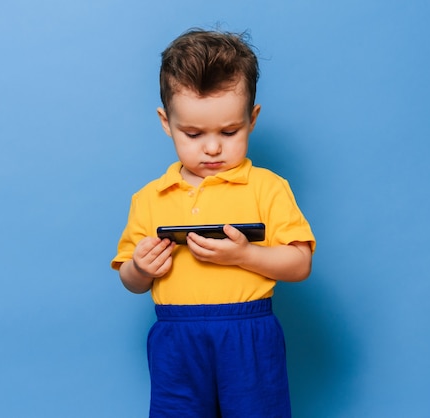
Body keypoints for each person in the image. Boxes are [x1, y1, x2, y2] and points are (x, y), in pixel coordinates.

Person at [111, 28, 316, 418]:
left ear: (251, 119)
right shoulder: (150, 198)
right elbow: (130, 279)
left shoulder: (268, 188)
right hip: (175, 336)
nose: (212, 147)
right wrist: (140, 267)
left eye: (229, 131)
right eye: (192, 133)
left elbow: (300, 263)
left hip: (248, 333)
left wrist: (244, 255)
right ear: (166, 122)